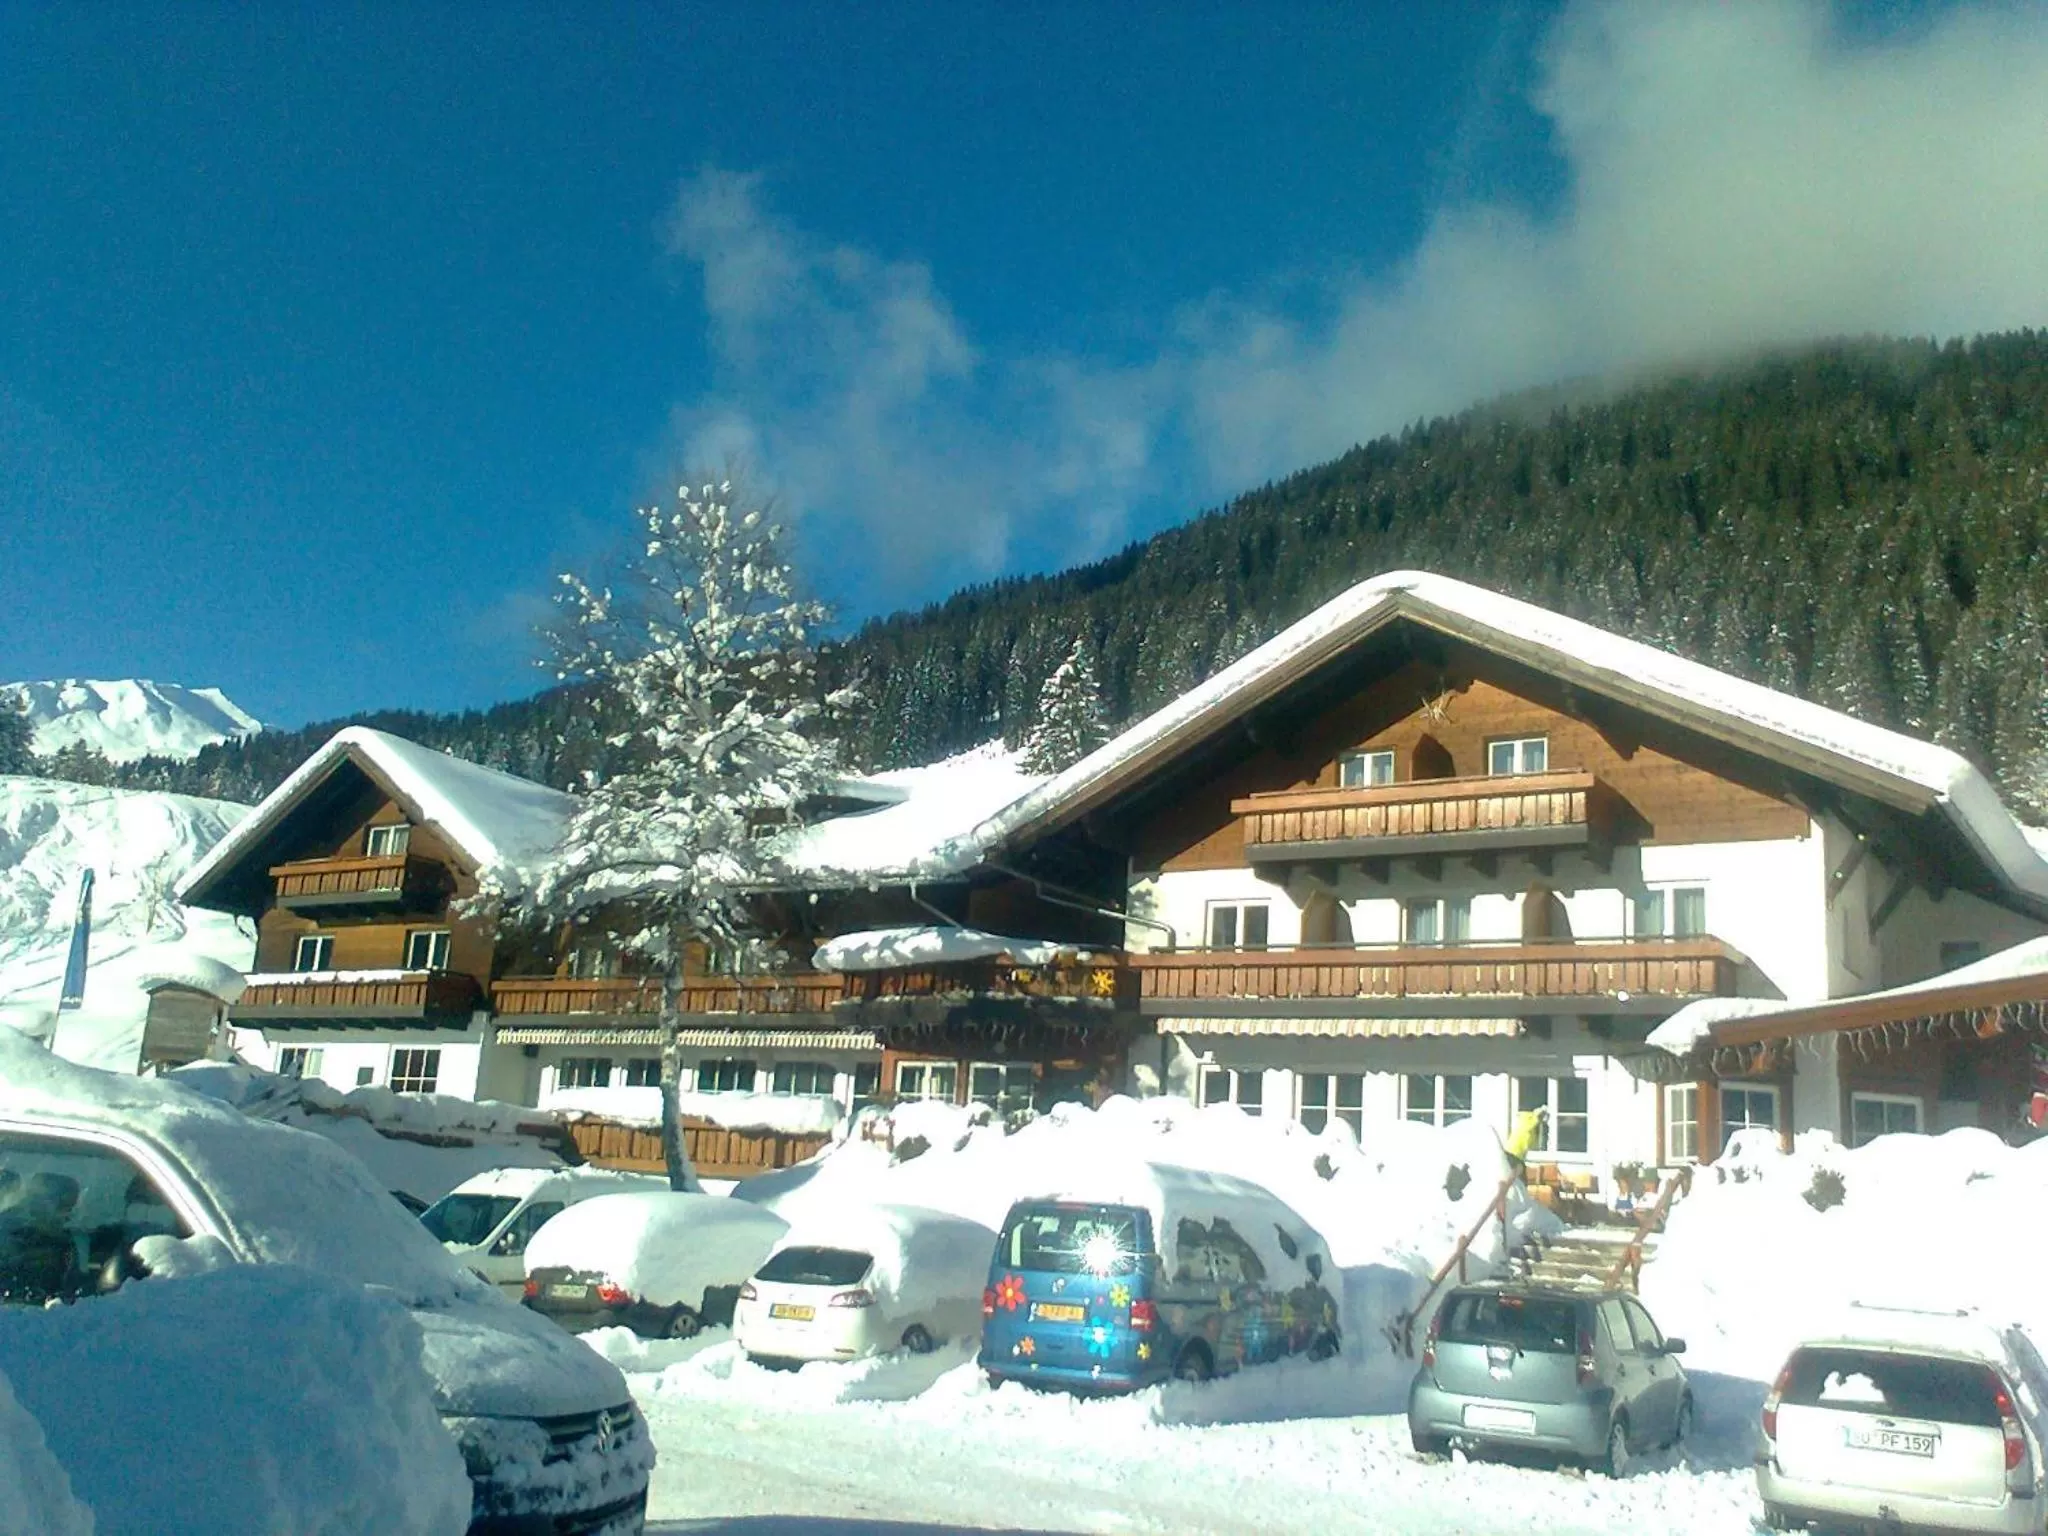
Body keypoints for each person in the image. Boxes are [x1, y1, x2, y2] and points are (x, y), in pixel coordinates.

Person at [1505, 1104, 1550, 1179]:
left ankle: (1508, 1184)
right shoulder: (1527, 1120)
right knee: (1518, 1174)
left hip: (1518, 1155)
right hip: (1513, 1153)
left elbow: (1534, 1145)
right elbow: (1533, 1120)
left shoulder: (1532, 1130)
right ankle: (1505, 1185)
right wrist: (1542, 1113)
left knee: (1520, 1177)